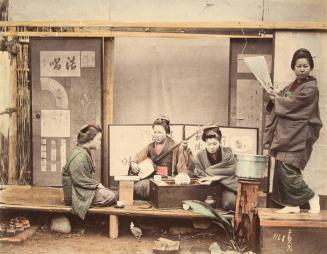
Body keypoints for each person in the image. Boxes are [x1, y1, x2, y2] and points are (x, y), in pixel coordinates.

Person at [264, 48, 322, 214]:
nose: (302, 69)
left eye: (305, 66)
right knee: (282, 166)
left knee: (289, 167)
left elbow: (294, 104)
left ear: (311, 67)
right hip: (287, 134)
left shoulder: (311, 88)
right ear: (293, 67)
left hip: (300, 134)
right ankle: (293, 204)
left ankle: (311, 197)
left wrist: (278, 99)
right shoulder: (291, 86)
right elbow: (280, 101)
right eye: (298, 66)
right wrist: (272, 97)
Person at [129, 116, 195, 199]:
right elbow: (139, 155)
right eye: (155, 132)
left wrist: (184, 149)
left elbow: (183, 165)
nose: (156, 135)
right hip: (153, 179)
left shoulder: (175, 146)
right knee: (136, 188)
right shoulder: (151, 146)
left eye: (160, 132)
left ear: (167, 133)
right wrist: (133, 163)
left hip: (169, 179)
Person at [62, 124, 117, 219]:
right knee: (111, 196)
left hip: (79, 189)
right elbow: (79, 180)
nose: (100, 143)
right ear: (90, 139)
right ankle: (82, 205)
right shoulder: (79, 156)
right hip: (74, 193)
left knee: (111, 194)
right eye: (98, 140)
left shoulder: (83, 151)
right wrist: (97, 185)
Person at [194, 126, 238, 211]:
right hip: (208, 187)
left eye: (214, 144)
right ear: (204, 143)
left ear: (220, 142)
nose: (211, 147)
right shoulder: (200, 155)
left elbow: (230, 170)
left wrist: (210, 173)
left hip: (226, 186)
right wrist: (209, 178)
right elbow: (200, 173)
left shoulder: (227, 153)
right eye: (208, 144)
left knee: (231, 203)